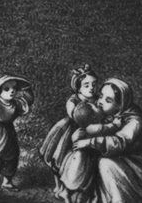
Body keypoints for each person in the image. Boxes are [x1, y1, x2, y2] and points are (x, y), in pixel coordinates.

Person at [71, 78, 142, 203]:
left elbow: (118, 142)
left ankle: (118, 200)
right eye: (101, 96)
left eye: (108, 100)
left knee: (105, 163)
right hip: (127, 161)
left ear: (120, 104)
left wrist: (90, 142)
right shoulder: (112, 114)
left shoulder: (135, 121)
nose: (100, 102)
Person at [39, 64, 101, 200]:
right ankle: (62, 187)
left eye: (94, 84)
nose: (91, 88)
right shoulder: (73, 100)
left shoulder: (98, 99)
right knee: (61, 157)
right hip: (73, 130)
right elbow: (76, 116)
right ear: (78, 87)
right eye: (86, 85)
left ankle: (88, 189)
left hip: (93, 131)